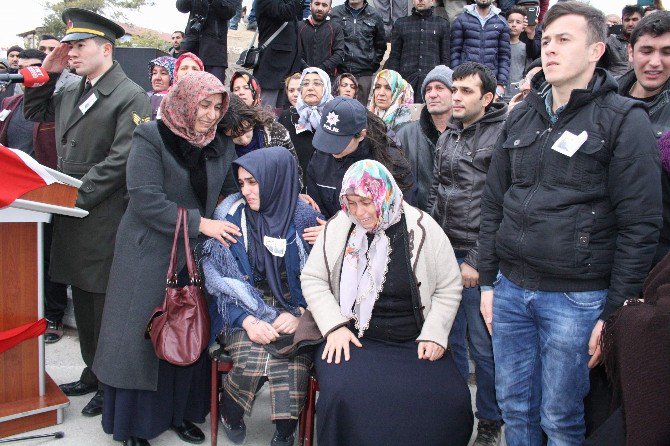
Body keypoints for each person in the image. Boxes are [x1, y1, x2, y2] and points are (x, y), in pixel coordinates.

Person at [477, 3, 663, 444]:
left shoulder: (622, 119)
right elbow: (493, 203)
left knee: (560, 417)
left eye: (564, 40)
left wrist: (613, 312)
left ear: (597, 49)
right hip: (511, 291)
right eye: (546, 41)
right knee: (515, 408)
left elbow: (641, 224)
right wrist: (488, 283)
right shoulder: (520, 115)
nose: (551, 50)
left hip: (577, 299)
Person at [92, 72, 233, 446]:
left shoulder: (219, 144)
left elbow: (230, 193)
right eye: (204, 105)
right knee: (141, 340)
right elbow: (146, 199)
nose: (210, 115)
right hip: (148, 253)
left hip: (195, 256)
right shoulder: (151, 137)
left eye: (217, 107)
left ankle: (181, 413)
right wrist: (200, 223)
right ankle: (135, 426)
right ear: (186, 101)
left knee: (187, 330)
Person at [23, 8, 151, 419]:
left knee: (101, 305)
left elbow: (121, 160)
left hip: (101, 213)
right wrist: (45, 73)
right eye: (69, 45)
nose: (71, 52)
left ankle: (107, 379)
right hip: (74, 211)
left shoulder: (129, 93)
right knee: (83, 294)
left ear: (106, 49)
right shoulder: (74, 86)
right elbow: (35, 114)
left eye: (80, 46)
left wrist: (74, 198)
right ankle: (93, 372)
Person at [301, 159, 473, 446]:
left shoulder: (423, 228)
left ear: (385, 195)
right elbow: (313, 279)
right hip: (353, 337)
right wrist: (334, 327)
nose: (359, 212)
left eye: (366, 202)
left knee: (451, 398)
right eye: (351, 202)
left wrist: (435, 333)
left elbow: (448, 286)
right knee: (343, 393)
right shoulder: (339, 227)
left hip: (413, 338)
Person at [202, 147, 320, 446]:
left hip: (294, 307)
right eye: (241, 183)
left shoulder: (304, 217)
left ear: (275, 180)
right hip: (242, 305)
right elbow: (220, 282)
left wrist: (302, 316)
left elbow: (324, 281)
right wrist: (248, 320)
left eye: (253, 182)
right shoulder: (230, 216)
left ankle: (284, 432)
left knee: (292, 361)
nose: (246, 191)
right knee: (253, 358)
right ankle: (231, 413)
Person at [427, 62, 507, 446]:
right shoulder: (449, 134)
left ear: (487, 98)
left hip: (478, 258)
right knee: (450, 341)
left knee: (484, 348)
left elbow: (501, 205)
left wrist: (476, 259)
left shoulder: (501, 135)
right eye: (454, 89)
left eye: (466, 91)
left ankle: (490, 420)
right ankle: (455, 415)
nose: (455, 96)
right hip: (444, 252)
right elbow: (436, 190)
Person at [0, 49, 67, 345]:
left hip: (44, 191)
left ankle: (53, 315)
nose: (25, 74)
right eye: (21, 68)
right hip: (11, 194)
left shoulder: (54, 106)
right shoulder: (9, 104)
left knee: (49, 254)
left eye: (34, 69)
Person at [306, 96, 416, 220]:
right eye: (328, 138)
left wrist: (338, 230)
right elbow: (316, 207)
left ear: (361, 135)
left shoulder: (390, 162)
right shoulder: (319, 158)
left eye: (338, 142)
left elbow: (400, 213)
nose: (331, 148)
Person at [618, 10, 670, 266]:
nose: (655, 62)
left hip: (658, 256)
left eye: (667, 52)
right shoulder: (600, 99)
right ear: (631, 52)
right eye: (647, 51)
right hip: (600, 252)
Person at [396, 65, 453, 212]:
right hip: (417, 220)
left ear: (454, 93)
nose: (432, 94)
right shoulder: (405, 135)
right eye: (428, 89)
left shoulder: (465, 134)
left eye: (440, 88)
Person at [219, 94, 303, 182]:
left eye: (246, 131)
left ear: (250, 118)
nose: (244, 140)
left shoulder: (276, 132)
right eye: (235, 136)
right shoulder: (223, 147)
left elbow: (294, 170)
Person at [386, 0, 451, 99]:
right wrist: (394, 81)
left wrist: (442, 81)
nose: (420, 0)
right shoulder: (401, 24)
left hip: (432, 82)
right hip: (406, 82)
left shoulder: (442, 24)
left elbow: (445, 58)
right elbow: (394, 57)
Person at [278, 67, 333, 179]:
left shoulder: (334, 115)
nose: (310, 88)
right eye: (305, 84)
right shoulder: (287, 116)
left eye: (317, 84)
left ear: (326, 87)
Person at [330, 0, 386, 104]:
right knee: (337, 111)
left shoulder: (375, 15)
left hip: (364, 74)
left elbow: (381, 45)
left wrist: (371, 65)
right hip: (340, 72)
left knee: (361, 112)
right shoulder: (335, 13)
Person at [451, 0, 510, 97]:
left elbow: (504, 56)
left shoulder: (501, 22)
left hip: (490, 80)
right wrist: (456, 77)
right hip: (466, 78)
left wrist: (501, 84)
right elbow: (454, 52)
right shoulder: (461, 20)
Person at [176, 0, 239, 83]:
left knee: (215, 90)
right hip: (191, 46)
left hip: (214, 52)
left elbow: (229, 12)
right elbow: (182, 7)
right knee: (184, 88)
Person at [254, 0, 303, 108]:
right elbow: (287, 12)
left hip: (287, 72)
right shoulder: (267, 2)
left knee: (283, 118)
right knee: (266, 117)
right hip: (272, 73)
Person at [298, 0, 345, 79]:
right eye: (317, 4)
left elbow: (339, 53)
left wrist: (320, 69)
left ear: (330, 9)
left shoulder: (336, 28)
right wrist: (306, 69)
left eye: (324, 5)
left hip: (328, 78)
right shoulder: (299, 26)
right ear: (310, 5)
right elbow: (294, 52)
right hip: (302, 77)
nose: (320, 8)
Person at [606, 5, 644, 77]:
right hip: (616, 83)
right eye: (627, 20)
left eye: (634, 19)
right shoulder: (610, 41)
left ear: (642, 20)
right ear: (622, 21)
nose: (630, 24)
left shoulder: (649, 41)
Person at [504, 7, 529, 101]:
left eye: (518, 22)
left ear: (523, 27)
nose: (513, 25)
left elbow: (527, 72)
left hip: (517, 94)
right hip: (499, 93)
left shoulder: (525, 48)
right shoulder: (498, 45)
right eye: (510, 21)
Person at [147, 56, 176, 120]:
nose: (157, 78)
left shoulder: (175, 100)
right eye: (154, 73)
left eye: (163, 73)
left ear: (173, 76)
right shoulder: (145, 95)